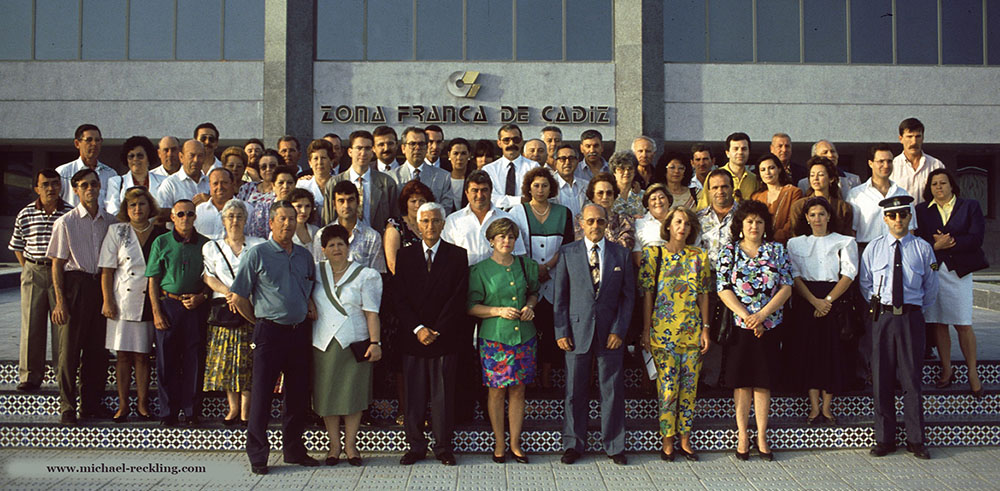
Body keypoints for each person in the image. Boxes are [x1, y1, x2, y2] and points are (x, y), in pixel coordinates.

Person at [230, 200, 321, 474]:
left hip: (299, 333)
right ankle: (258, 455)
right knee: (261, 395)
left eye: (292, 219)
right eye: (282, 218)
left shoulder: (305, 256)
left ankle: (294, 450)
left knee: (297, 395)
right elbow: (239, 296)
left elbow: (308, 290)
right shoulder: (257, 254)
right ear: (271, 223)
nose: (288, 223)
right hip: (269, 332)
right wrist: (259, 321)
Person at [553, 204, 634, 465]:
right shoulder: (568, 253)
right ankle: (573, 444)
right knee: (574, 390)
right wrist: (561, 330)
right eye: (590, 221)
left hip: (610, 333)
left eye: (600, 221)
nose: (595, 226)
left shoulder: (621, 254)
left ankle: (614, 445)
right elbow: (560, 296)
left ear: (607, 223)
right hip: (577, 332)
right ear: (581, 223)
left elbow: (627, 298)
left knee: (612, 390)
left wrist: (619, 330)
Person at [860, 195, 938, 460]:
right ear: (885, 219)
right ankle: (885, 439)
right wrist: (881, 305)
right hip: (882, 318)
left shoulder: (923, 249)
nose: (898, 220)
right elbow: (865, 283)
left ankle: (916, 440)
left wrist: (913, 309)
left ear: (909, 217)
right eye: (892, 215)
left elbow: (931, 286)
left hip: (910, 318)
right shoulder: (873, 248)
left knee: (911, 378)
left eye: (903, 214)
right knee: (881, 377)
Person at [716, 200, 793, 461]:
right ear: (741, 225)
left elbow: (786, 286)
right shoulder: (729, 252)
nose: (754, 226)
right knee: (741, 383)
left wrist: (762, 315)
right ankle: (742, 435)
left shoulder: (776, 250)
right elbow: (723, 288)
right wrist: (748, 316)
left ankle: (761, 435)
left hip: (769, 325)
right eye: (749, 221)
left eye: (759, 222)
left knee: (762, 382)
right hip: (740, 327)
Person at [395, 203, 470, 466]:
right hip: (414, 336)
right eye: (425, 221)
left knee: (443, 397)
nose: (430, 226)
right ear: (417, 225)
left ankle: (443, 447)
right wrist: (418, 329)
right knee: (414, 397)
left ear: (443, 224)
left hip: (444, 336)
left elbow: (458, 297)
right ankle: (416, 447)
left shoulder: (457, 255)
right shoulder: (404, 256)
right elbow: (399, 298)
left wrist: (437, 329)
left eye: (435, 220)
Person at [638, 206, 710, 461]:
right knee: (668, 389)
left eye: (687, 224)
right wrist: (646, 330)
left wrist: (706, 328)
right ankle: (667, 439)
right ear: (668, 225)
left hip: (692, 331)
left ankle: (685, 439)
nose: (682, 227)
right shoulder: (653, 254)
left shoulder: (698, 256)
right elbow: (647, 294)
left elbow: (704, 293)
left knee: (689, 388)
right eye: (678, 222)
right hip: (662, 332)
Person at [47, 168, 117, 425]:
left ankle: (91, 404)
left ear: (100, 187)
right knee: (69, 351)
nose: (90, 189)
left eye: (94, 184)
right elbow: (57, 263)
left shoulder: (111, 222)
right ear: (76, 190)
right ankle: (67, 406)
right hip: (75, 286)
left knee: (97, 351)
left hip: (102, 286)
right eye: (84, 185)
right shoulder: (65, 222)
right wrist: (60, 302)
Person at [468, 218, 540, 464]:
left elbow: (533, 292)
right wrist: (497, 311)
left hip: (524, 336)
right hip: (495, 339)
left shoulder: (526, 265)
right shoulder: (480, 270)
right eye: (501, 237)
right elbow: (470, 306)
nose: (507, 241)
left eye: (511, 237)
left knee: (518, 390)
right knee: (496, 391)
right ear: (491, 241)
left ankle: (515, 443)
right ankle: (499, 443)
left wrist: (530, 306)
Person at [311, 224, 382, 467]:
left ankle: (351, 446)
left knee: (353, 396)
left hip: (354, 343)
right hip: (323, 343)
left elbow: (371, 313)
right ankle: (334, 446)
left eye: (340, 244)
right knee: (327, 396)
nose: (336, 248)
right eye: (331, 245)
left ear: (348, 246)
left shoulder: (365, 275)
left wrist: (375, 342)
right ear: (323, 249)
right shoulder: (315, 272)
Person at [915, 169, 988, 395]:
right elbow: (918, 240)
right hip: (935, 271)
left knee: (963, 323)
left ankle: (972, 372)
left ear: (952, 185)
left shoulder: (970, 206)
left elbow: (976, 238)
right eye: (934, 184)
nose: (939, 187)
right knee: (939, 322)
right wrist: (935, 246)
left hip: (960, 272)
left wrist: (950, 242)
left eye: (943, 183)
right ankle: (947, 370)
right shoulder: (921, 210)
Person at [786, 196, 858, 425]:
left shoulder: (845, 241)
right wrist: (814, 301)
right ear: (807, 218)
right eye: (813, 215)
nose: (817, 218)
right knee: (810, 352)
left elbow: (849, 274)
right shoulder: (795, 244)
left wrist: (827, 301)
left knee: (830, 353)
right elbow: (794, 275)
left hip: (833, 300)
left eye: (821, 214)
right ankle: (814, 407)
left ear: (829, 217)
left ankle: (827, 408)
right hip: (806, 300)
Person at [99, 187, 166, 422]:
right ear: (126, 209)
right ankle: (123, 405)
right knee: (123, 356)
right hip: (122, 302)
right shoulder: (117, 231)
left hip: (150, 300)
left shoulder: (160, 233)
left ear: (150, 207)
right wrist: (107, 301)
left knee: (143, 355)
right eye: (132, 205)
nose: (137, 209)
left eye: (142, 204)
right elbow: (107, 271)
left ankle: (143, 405)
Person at [508, 167, 575, 389]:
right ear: (528, 188)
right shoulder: (517, 212)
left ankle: (546, 376)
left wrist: (548, 267)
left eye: (545, 185)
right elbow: (514, 246)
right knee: (530, 328)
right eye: (536, 185)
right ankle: (530, 375)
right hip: (528, 279)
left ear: (551, 188)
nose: (540, 189)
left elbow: (567, 245)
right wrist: (535, 269)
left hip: (555, 278)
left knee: (551, 329)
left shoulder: (563, 212)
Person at [146, 200, 210, 426]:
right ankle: (168, 412)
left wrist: (202, 296)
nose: (185, 218)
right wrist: (156, 312)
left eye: (190, 214)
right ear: (172, 217)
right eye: (180, 214)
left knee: (194, 359)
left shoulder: (205, 244)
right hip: (169, 305)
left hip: (195, 306)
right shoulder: (161, 242)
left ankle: (191, 411)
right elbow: (153, 280)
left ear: (195, 217)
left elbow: (211, 277)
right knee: (166, 360)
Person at [9, 170, 73, 392]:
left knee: (62, 325)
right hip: (34, 270)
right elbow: (17, 245)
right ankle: (30, 376)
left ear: (60, 187)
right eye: (45, 184)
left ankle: (62, 374)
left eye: (55, 183)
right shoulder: (25, 213)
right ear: (37, 188)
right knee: (31, 324)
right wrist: (29, 268)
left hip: (61, 274)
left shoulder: (69, 213)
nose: (50, 188)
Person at [201, 199, 264, 426]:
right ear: (223, 220)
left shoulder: (258, 245)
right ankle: (233, 408)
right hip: (225, 310)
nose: (234, 220)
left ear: (246, 220)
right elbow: (208, 276)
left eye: (239, 216)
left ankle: (246, 410)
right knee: (228, 361)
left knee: (248, 360)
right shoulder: (211, 247)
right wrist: (228, 292)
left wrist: (242, 294)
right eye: (230, 216)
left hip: (250, 308)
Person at [442, 170, 526, 266]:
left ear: (491, 192)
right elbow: (446, 255)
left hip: (498, 274)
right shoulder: (453, 221)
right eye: (475, 190)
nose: (480, 195)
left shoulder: (507, 218)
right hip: (463, 273)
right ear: (466, 193)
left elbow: (519, 254)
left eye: (484, 190)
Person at [324, 130, 400, 235]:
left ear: (372, 151)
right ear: (350, 152)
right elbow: (328, 220)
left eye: (367, 148)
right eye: (359, 148)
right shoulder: (334, 183)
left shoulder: (387, 183)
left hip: (377, 241)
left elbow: (395, 220)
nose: (363, 153)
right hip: (343, 241)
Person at [846, 143, 915, 250]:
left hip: (898, 250)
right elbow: (851, 231)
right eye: (881, 161)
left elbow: (910, 229)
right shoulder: (856, 195)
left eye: (889, 161)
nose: (886, 165)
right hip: (866, 250)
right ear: (870, 163)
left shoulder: (903, 194)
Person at [317, 181, 386, 272]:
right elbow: (318, 271)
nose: (346, 206)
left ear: (358, 202)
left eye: (350, 200)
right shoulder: (321, 235)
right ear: (334, 204)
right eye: (341, 201)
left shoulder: (372, 237)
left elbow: (377, 274)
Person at [390, 126, 455, 213]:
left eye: (421, 144)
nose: (417, 148)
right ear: (403, 148)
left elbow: (445, 209)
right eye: (412, 144)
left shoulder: (443, 177)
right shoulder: (391, 177)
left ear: (426, 147)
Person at [789, 157, 854, 237]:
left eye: (820, 175)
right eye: (812, 175)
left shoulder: (843, 208)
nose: (815, 178)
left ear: (831, 179)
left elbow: (847, 236)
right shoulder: (799, 206)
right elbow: (795, 235)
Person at [56, 124, 117, 207]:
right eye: (89, 140)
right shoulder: (63, 172)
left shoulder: (110, 174)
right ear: (77, 143)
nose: (94, 144)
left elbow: (113, 206)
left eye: (97, 140)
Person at [482, 123, 541, 210]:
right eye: (506, 140)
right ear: (499, 143)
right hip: (497, 215)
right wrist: (519, 200)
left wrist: (503, 200)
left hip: (526, 214)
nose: (511, 143)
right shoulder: (489, 169)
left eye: (516, 139)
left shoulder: (533, 167)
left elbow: (536, 195)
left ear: (521, 141)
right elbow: (489, 197)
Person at [105, 136, 167, 215]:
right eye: (131, 156)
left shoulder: (164, 181)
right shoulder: (116, 182)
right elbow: (112, 212)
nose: (135, 159)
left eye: (140, 156)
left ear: (148, 157)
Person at [750, 152, 802, 243]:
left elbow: (793, 220)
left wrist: (776, 238)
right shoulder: (756, 197)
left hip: (786, 243)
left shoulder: (793, 192)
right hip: (761, 244)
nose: (767, 172)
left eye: (771, 168)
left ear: (779, 169)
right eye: (763, 169)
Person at [697, 132, 759, 209]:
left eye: (744, 149)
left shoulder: (754, 179)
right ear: (727, 153)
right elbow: (703, 206)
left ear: (749, 152)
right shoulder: (714, 176)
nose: (740, 152)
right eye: (735, 149)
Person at [575, 172, 635, 251]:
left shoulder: (624, 220)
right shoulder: (582, 219)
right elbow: (581, 246)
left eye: (609, 193)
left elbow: (624, 248)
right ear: (592, 196)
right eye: (600, 193)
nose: (605, 197)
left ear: (614, 196)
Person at [384, 180, 434, 274]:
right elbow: (392, 264)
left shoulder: (433, 226)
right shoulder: (395, 226)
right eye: (413, 201)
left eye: (422, 201)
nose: (418, 205)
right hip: (403, 280)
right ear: (405, 203)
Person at [891, 118, 944, 204]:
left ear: (923, 138)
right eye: (909, 136)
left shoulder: (936, 165)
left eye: (918, 136)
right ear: (901, 139)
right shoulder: (892, 166)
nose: (914, 142)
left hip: (929, 212)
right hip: (902, 212)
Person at [237, 149, 281, 238]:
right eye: (263, 167)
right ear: (259, 170)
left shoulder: (282, 189)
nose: (268, 169)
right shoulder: (247, 188)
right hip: (246, 239)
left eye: (272, 166)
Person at [156, 139, 210, 209]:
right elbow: (163, 213)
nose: (196, 160)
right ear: (181, 157)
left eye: (200, 156)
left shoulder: (211, 182)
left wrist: (211, 201)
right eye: (191, 156)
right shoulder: (170, 184)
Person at [796, 140, 861, 196]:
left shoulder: (854, 180)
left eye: (832, 151)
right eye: (825, 152)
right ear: (815, 157)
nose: (830, 155)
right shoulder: (804, 184)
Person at [632, 184, 672, 263]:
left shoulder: (680, 220)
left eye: (662, 197)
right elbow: (637, 254)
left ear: (669, 201)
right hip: (651, 267)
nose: (658, 201)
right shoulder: (639, 223)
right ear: (647, 205)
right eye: (653, 199)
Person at [194, 168, 236, 240]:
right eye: (215, 183)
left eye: (224, 183)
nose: (220, 187)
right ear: (210, 186)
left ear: (232, 184)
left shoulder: (246, 209)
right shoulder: (198, 211)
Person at [296, 139, 336, 211]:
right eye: (315, 158)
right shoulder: (302, 185)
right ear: (310, 163)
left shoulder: (338, 183)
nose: (319, 162)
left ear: (331, 161)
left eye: (323, 158)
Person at [551, 144, 588, 217]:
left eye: (571, 158)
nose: (567, 162)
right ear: (555, 163)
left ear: (577, 162)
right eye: (563, 158)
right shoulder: (549, 186)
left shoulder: (586, 185)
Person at [609, 151, 644, 219]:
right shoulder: (608, 195)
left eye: (630, 168)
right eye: (622, 169)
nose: (626, 172)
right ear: (614, 172)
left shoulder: (643, 195)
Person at [287, 188, 321, 255]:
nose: (303, 211)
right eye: (299, 206)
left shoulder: (316, 232)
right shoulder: (282, 232)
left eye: (307, 206)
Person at [446, 138, 474, 209]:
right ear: (449, 155)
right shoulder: (443, 178)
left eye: (463, 153)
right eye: (456, 153)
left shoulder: (474, 178)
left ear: (469, 155)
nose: (459, 157)